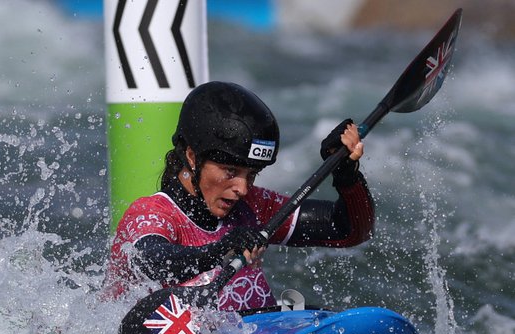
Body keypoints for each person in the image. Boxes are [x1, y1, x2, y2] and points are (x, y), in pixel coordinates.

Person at [104, 81, 374, 311]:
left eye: (251, 174)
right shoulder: (153, 213)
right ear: (192, 157)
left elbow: (350, 232)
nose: (242, 189)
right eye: (230, 171)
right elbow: (150, 261)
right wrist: (219, 250)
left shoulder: (250, 206)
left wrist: (345, 174)